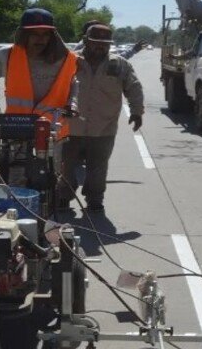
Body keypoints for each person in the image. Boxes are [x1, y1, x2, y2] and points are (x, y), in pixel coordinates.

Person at [59, 24, 144, 213]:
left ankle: (95, 200)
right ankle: (63, 197)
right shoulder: (71, 61)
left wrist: (137, 112)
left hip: (103, 127)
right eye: (96, 43)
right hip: (70, 126)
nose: (100, 47)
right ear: (86, 41)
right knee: (66, 165)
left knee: (98, 168)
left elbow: (134, 88)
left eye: (105, 44)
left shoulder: (119, 64)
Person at [0, 8, 78, 135]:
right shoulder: (6, 55)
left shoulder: (65, 59)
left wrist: (72, 103)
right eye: (34, 34)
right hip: (16, 127)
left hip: (53, 129)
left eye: (45, 34)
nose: (40, 39)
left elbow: (73, 82)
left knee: (55, 155)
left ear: (52, 36)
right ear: (23, 34)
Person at [72, 19, 147, 59]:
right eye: (95, 32)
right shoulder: (79, 51)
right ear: (86, 38)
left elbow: (116, 59)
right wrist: (133, 50)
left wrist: (133, 50)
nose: (100, 45)